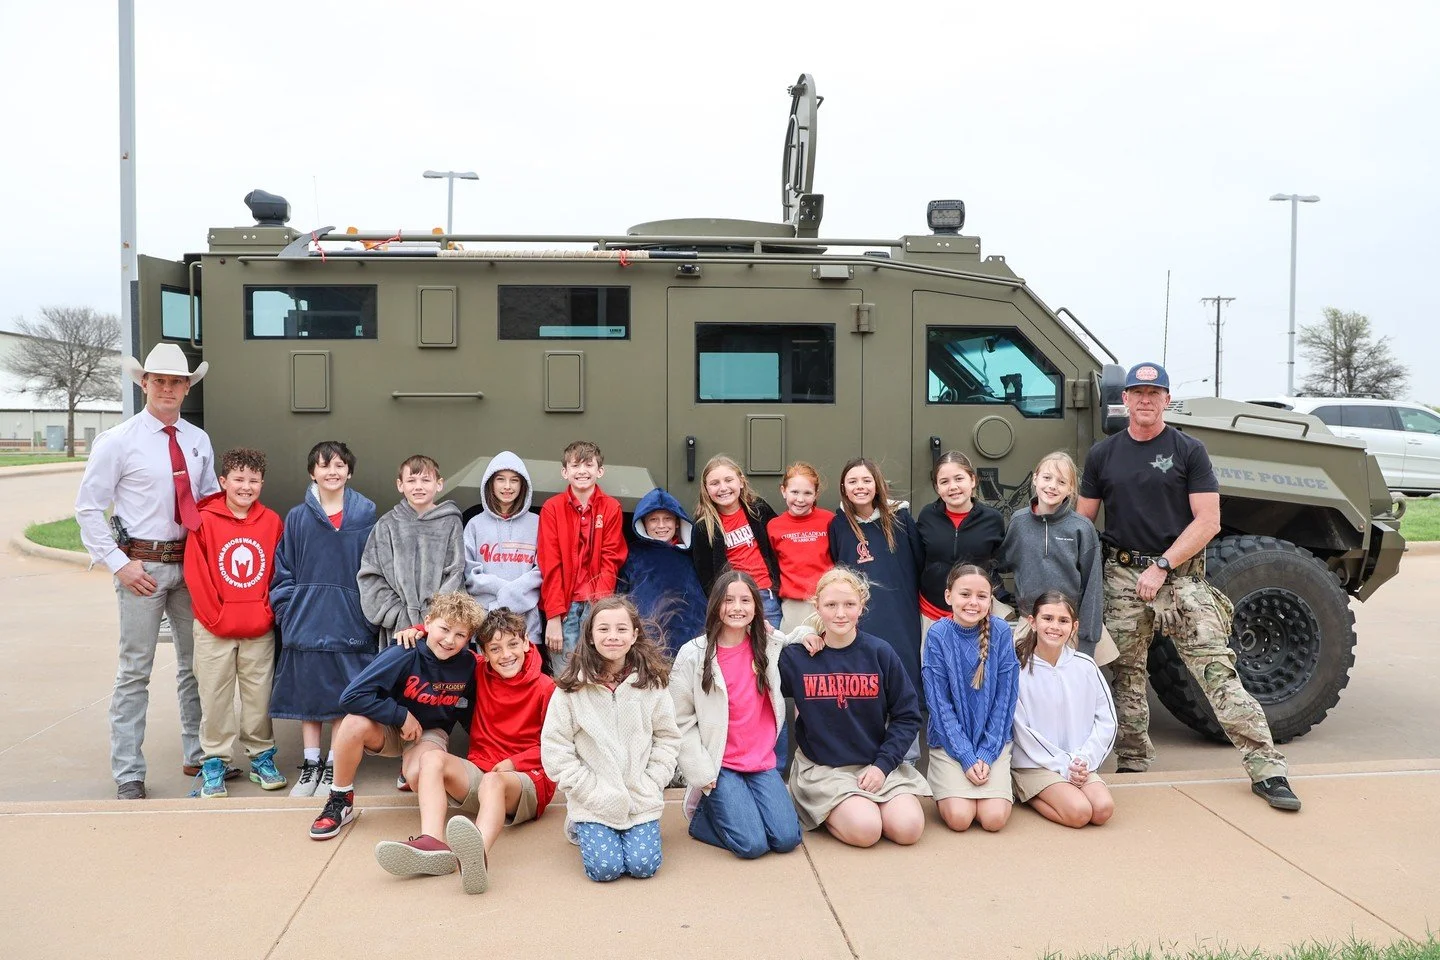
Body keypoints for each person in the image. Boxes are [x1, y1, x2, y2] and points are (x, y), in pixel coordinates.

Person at [1077, 361, 1300, 811]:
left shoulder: (1188, 450)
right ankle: (1133, 761)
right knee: (1124, 674)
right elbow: (1082, 521)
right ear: (1125, 400)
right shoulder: (1104, 454)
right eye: (1136, 392)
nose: (1144, 400)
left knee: (1217, 672)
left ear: (1167, 399)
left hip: (1179, 578)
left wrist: (1162, 565)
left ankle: (1266, 768)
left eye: (1153, 393)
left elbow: (1209, 521)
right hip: (1121, 576)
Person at [75, 343, 220, 800]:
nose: (168, 389)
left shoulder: (198, 440)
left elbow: (211, 502)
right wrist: (119, 565)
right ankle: (128, 771)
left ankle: (198, 754)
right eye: (158, 380)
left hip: (189, 565)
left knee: (195, 666)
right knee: (135, 669)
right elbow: (87, 508)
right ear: (144, 384)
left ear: (186, 387)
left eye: (176, 381)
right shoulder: (118, 441)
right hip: (143, 567)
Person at [373, 609, 556, 895]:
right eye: (495, 648)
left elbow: (559, 746)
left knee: (494, 782)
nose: (505, 655)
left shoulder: (546, 688)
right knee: (430, 758)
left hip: (526, 781)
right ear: (483, 652)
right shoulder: (479, 670)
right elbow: (449, 640)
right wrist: (421, 629)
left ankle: (476, 857)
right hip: (482, 774)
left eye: (512, 644)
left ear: (526, 643)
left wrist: (514, 761)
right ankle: (432, 844)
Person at [309, 592, 482, 841]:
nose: (449, 640)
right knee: (352, 723)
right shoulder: (405, 651)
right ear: (428, 622)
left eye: (460, 635)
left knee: (420, 775)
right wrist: (400, 715)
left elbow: (473, 711)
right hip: (390, 727)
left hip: (430, 733)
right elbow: (350, 697)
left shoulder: (468, 665)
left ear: (468, 638)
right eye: (444, 629)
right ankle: (340, 799)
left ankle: (409, 774)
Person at [779, 567, 928, 848]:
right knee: (867, 830)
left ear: (862, 606)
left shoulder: (879, 652)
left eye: (849, 604)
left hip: (874, 765)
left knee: (909, 829)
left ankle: (863, 803)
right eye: (831, 605)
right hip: (824, 770)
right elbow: (759, 664)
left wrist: (883, 766)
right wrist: (795, 635)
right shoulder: (799, 657)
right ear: (817, 606)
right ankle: (826, 810)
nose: (840, 613)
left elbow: (907, 716)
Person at [669, 571, 808, 859]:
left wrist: (809, 635)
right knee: (752, 845)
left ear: (756, 607)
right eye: (729, 600)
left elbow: (795, 638)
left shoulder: (767, 645)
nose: (737, 608)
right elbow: (679, 720)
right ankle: (701, 818)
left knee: (785, 839)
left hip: (759, 762)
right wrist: (699, 770)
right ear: (716, 604)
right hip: (720, 764)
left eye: (745, 600)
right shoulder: (693, 654)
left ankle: (740, 809)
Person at [541, 596, 680, 882]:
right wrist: (587, 790)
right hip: (593, 800)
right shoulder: (572, 688)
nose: (613, 636)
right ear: (590, 635)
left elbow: (667, 737)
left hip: (639, 796)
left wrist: (652, 781)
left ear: (634, 635)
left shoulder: (652, 683)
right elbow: (556, 748)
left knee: (643, 866)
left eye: (621, 629)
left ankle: (629, 829)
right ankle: (579, 825)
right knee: (606, 869)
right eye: (603, 629)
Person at [269, 440, 379, 797]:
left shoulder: (366, 515)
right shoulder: (298, 518)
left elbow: (375, 569)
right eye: (324, 465)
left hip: (350, 622)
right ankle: (311, 764)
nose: (332, 472)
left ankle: (335, 763)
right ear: (311, 472)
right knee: (309, 697)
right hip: (306, 622)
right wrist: (288, 611)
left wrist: (368, 611)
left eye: (339, 466)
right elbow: (283, 570)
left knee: (342, 696)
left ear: (349, 471)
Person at [181, 447, 286, 797]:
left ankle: (261, 757)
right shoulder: (204, 520)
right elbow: (196, 573)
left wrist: (266, 612)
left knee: (259, 697)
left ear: (262, 483)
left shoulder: (271, 522)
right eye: (238, 479)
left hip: (258, 627)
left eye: (253, 480)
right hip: (214, 628)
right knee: (214, 697)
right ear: (223, 481)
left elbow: (277, 573)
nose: (246, 486)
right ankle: (214, 762)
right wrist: (216, 618)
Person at [922, 563, 1019, 833]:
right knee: (960, 818)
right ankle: (951, 779)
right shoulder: (938, 635)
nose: (973, 603)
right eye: (965, 594)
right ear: (948, 596)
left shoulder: (1000, 632)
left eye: (981, 596)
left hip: (993, 742)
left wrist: (987, 753)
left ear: (991, 600)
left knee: (993, 819)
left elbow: (1005, 699)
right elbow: (939, 706)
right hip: (950, 744)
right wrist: (965, 756)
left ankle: (994, 776)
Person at [998, 451, 1118, 665]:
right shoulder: (1019, 522)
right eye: (1047, 478)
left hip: (1068, 627)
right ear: (1035, 479)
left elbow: (1092, 585)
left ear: (1070, 489)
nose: (1052, 486)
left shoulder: (1081, 527)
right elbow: (1001, 561)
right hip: (1030, 623)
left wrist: (1087, 641)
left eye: (1061, 482)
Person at [1011, 592, 1117, 828]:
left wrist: (1083, 760)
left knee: (1102, 810)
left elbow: (1106, 720)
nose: (1054, 627)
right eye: (1047, 618)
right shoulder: (1016, 669)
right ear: (1032, 622)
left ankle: (1067, 787)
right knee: (1078, 813)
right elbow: (1021, 730)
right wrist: (1063, 764)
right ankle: (1023, 792)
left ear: (1074, 626)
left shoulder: (1085, 666)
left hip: (1078, 762)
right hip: (1035, 764)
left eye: (1063, 621)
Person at [826, 458, 924, 693]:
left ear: (877, 484)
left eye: (866, 480)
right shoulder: (838, 525)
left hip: (901, 612)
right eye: (853, 481)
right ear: (843, 488)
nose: (860, 486)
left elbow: (919, 561)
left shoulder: (900, 519)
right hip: (863, 616)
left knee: (904, 675)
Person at [358, 454, 465, 646]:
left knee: (438, 676)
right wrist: (396, 613)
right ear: (400, 485)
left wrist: (435, 619)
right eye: (411, 480)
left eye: (425, 480)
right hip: (399, 630)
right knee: (402, 675)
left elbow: (455, 573)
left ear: (439, 484)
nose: (418, 486)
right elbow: (371, 576)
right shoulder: (387, 524)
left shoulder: (451, 522)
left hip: (440, 630)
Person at [537, 440, 628, 664]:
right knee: (566, 674)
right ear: (564, 472)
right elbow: (551, 564)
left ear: (600, 471)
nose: (582, 471)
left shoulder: (611, 508)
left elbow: (611, 560)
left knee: (596, 670)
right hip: (564, 605)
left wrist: (600, 609)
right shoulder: (552, 508)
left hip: (595, 602)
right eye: (575, 466)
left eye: (588, 465)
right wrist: (554, 616)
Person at [916, 451, 1006, 634]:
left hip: (976, 615)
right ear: (937, 487)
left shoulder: (992, 519)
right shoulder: (927, 516)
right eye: (944, 482)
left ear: (972, 480)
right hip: (932, 613)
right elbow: (918, 559)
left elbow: (999, 562)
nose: (953, 487)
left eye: (959, 479)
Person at [691, 455, 783, 629]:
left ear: (741, 481)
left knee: (771, 647)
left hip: (765, 594)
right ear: (706, 488)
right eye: (715, 483)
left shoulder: (758, 510)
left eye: (728, 480)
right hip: (732, 600)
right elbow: (705, 575)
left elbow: (779, 544)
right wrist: (719, 601)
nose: (723, 488)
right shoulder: (704, 527)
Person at [463, 451, 542, 644]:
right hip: (485, 620)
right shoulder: (475, 524)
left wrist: (511, 595)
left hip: (526, 622)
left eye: (514, 480)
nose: (507, 486)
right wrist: (505, 590)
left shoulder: (537, 523)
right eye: (501, 479)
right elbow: (470, 575)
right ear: (491, 483)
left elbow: (541, 570)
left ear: (523, 485)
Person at [618, 487, 706, 656]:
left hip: (691, 636)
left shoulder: (691, 554)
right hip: (649, 636)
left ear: (677, 522)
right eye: (653, 520)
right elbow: (621, 594)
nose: (661, 525)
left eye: (667, 519)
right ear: (643, 523)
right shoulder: (633, 555)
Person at [767, 462, 835, 632]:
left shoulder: (829, 521)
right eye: (794, 492)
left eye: (807, 493)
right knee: (796, 653)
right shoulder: (774, 526)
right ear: (783, 491)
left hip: (828, 599)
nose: (800, 499)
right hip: (793, 604)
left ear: (816, 494)